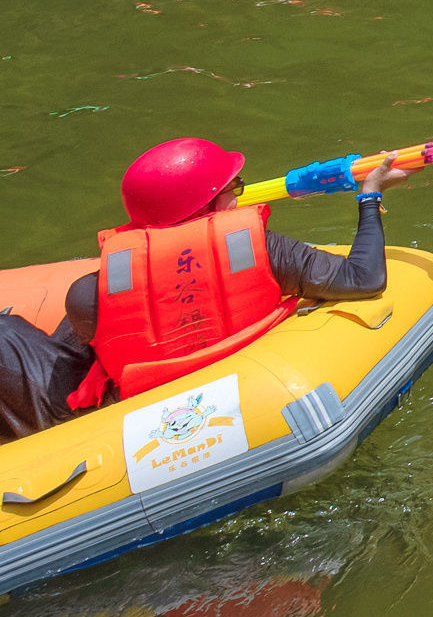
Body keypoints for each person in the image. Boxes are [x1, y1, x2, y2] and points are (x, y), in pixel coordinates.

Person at [0, 138, 407, 440]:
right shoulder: (263, 250)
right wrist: (370, 196)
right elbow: (363, 278)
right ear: (208, 206)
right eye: (235, 187)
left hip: (106, 412)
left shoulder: (94, 291)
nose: (239, 194)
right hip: (220, 400)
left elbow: (87, 355)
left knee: (7, 333)